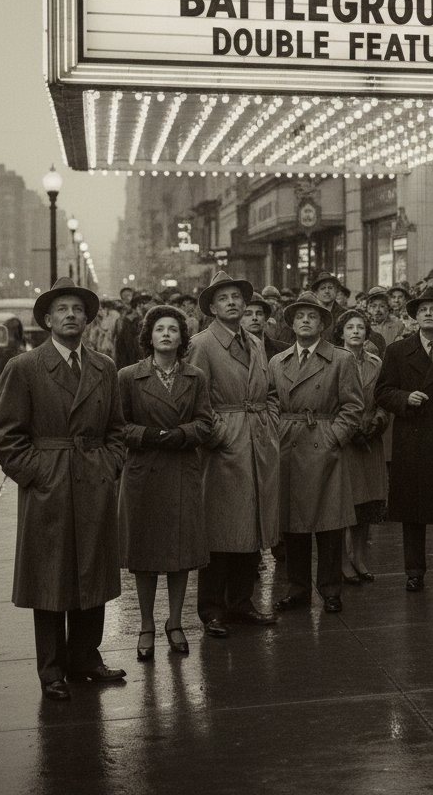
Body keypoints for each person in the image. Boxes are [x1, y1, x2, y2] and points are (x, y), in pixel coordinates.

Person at [0, 278, 127, 701]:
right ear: (47, 320)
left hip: (93, 481)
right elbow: (4, 438)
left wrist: (108, 465)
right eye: (61, 309)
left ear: (88, 319)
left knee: (93, 571)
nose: (71, 315)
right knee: (49, 577)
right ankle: (51, 670)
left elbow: (117, 431)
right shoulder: (25, 368)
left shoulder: (104, 368)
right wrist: (40, 474)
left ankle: (86, 657)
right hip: (49, 484)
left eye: (78, 309)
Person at [186, 271, 280, 638]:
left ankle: (242, 603)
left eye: (237, 297)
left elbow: (270, 393)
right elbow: (196, 399)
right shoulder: (202, 344)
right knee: (221, 530)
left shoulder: (256, 342)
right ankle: (212, 609)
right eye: (223, 298)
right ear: (211, 307)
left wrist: (268, 424)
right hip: (224, 448)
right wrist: (220, 433)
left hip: (258, 443)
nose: (233, 303)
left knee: (253, 528)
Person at [118, 305, 213, 660]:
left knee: (180, 553)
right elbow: (117, 426)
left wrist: (181, 434)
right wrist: (148, 435)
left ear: (182, 337)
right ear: (149, 337)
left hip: (182, 470)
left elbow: (206, 422)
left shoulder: (196, 377)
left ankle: (175, 623)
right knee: (144, 554)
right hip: (144, 471)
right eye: (160, 329)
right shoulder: (128, 376)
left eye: (173, 329)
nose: (167, 334)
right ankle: (146, 625)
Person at [269, 291, 363, 613]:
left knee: (329, 523)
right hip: (288, 444)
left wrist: (334, 437)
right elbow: (271, 403)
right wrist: (277, 434)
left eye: (313, 316)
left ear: (323, 324)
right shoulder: (277, 362)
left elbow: (353, 406)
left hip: (323, 441)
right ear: (292, 324)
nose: (305, 321)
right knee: (293, 524)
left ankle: (330, 589)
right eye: (299, 316)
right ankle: (297, 588)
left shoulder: (341, 359)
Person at [377, 286, 433, 593]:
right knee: (412, 512)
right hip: (411, 439)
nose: (428, 313)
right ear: (414, 317)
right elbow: (383, 392)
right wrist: (405, 398)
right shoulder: (398, 351)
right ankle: (414, 571)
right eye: (422, 310)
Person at [334, 308, 389, 583]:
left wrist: (377, 421)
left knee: (367, 502)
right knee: (346, 502)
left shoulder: (376, 363)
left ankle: (359, 556)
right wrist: (349, 429)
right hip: (345, 440)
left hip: (370, 439)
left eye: (360, 328)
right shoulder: (333, 360)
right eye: (350, 327)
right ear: (341, 333)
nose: (355, 332)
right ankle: (342, 560)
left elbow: (382, 397)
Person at [243, 291, 289, 359]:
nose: (254, 318)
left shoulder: (284, 351)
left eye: (259, 313)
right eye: (248, 314)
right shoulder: (231, 350)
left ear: (265, 318)